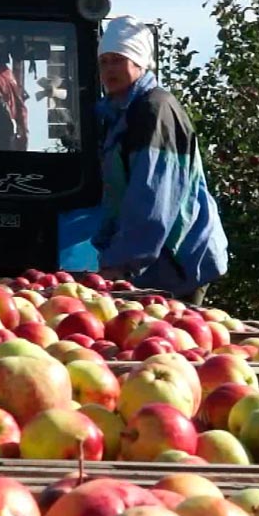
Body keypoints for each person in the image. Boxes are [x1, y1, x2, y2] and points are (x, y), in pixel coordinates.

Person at [92, 15, 228, 305]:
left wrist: (123, 262)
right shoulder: (118, 115)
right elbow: (116, 196)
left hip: (179, 260)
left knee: (174, 343)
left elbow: (153, 195)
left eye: (118, 60)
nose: (109, 70)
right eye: (104, 62)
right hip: (153, 260)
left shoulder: (154, 111)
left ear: (139, 63)